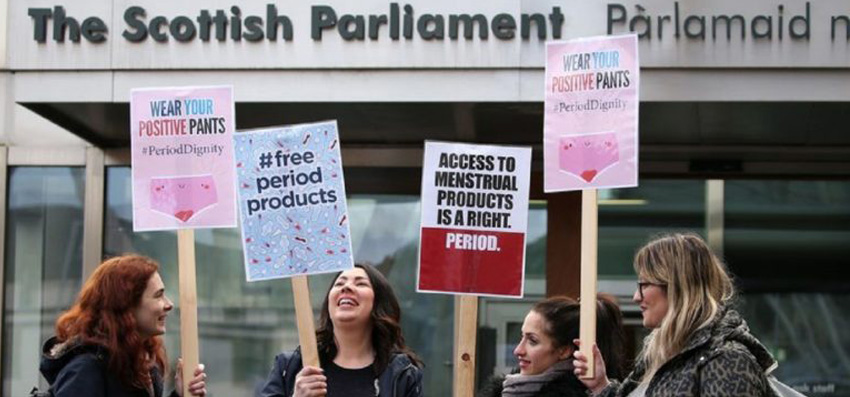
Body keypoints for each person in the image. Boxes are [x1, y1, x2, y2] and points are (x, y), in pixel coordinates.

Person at [574, 233, 779, 396]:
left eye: (644, 284)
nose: (636, 297)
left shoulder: (728, 359)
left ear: (677, 288)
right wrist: (601, 386)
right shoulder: (662, 354)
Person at [39, 255, 207, 396]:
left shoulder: (143, 364)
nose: (169, 304)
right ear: (126, 305)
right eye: (158, 296)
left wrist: (180, 393)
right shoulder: (87, 370)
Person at [260, 263, 424, 397]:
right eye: (339, 283)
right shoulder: (290, 367)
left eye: (360, 283)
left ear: (379, 304)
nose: (346, 287)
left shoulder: (402, 375)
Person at [477, 295, 626, 397]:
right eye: (522, 337)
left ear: (564, 351)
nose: (518, 350)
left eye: (532, 341)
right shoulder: (504, 389)